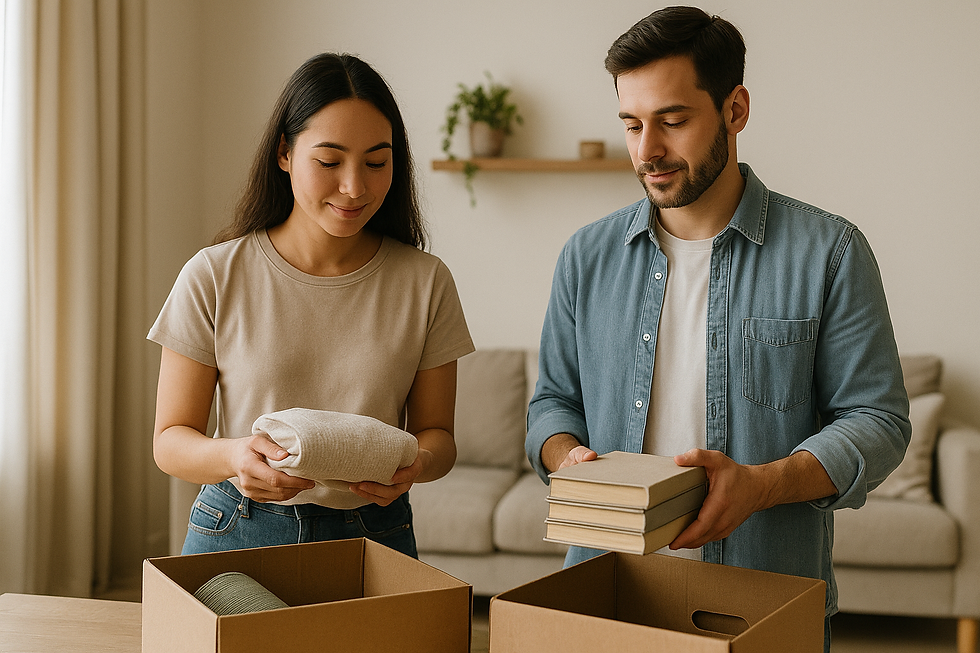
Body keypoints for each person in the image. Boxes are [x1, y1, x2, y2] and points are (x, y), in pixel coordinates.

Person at [525, 7, 910, 650]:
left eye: (672, 121)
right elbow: (552, 405)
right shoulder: (585, 258)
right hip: (605, 597)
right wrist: (570, 458)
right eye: (631, 124)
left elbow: (878, 420)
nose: (647, 151)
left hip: (764, 600)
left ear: (735, 110)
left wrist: (761, 486)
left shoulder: (830, 251)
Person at [149, 52, 474, 559]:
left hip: (375, 532)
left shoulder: (425, 282)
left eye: (376, 162)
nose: (355, 187)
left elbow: (438, 435)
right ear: (284, 153)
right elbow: (170, 440)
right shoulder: (214, 274)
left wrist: (418, 465)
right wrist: (236, 455)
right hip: (239, 523)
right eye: (329, 161)